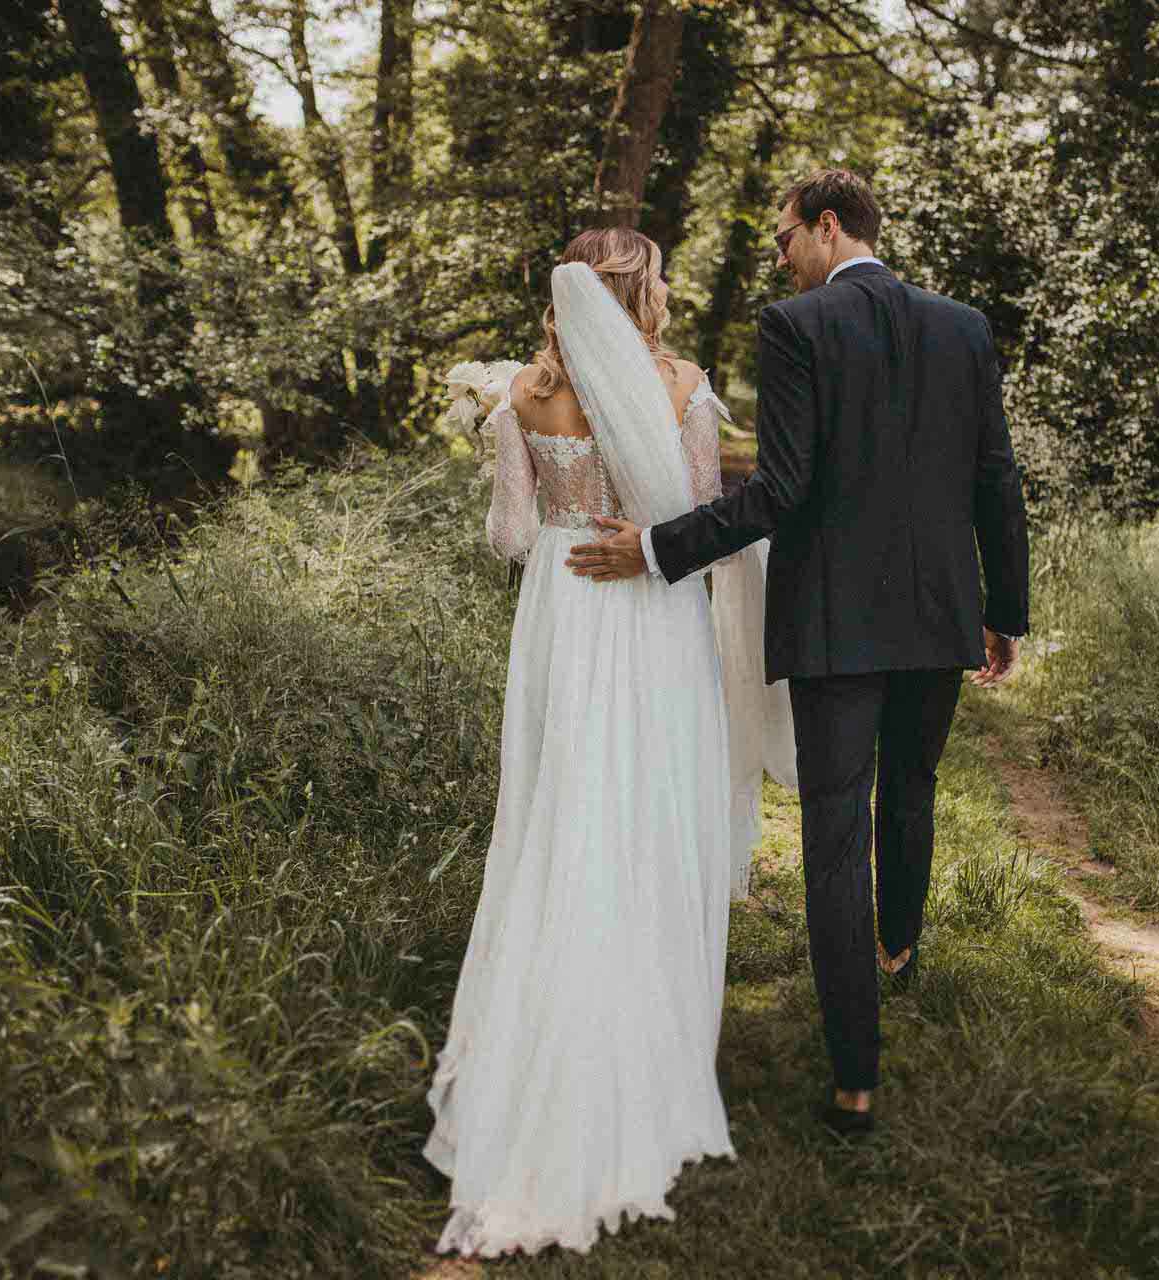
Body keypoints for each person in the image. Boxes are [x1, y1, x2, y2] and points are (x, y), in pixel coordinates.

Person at [567, 169, 1031, 1136]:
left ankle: (855, 1074)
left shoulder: (796, 326)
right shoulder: (963, 327)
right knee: (912, 789)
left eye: (784, 238)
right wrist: (1005, 611)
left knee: (835, 829)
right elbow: (996, 476)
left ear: (827, 227)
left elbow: (779, 491)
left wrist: (656, 549)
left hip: (836, 622)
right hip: (941, 613)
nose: (779, 257)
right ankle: (900, 950)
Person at [424, 227, 778, 1255]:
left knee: (561, 804)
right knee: (647, 804)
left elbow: (507, 536)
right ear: (643, 290)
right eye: (657, 277)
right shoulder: (682, 386)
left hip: (565, 612)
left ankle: (541, 1033)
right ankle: (644, 1032)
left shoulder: (521, 396)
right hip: (652, 610)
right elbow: (700, 518)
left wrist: (554, 506)